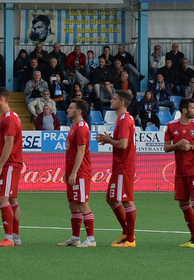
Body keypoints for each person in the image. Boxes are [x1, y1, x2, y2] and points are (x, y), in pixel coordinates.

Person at [162, 98, 194, 248]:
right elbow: (166, 147)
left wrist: (191, 147)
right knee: (183, 204)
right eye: (193, 108)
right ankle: (192, 237)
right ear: (184, 110)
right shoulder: (171, 126)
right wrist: (177, 145)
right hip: (181, 171)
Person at [97, 90, 138, 247]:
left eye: (114, 99)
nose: (111, 101)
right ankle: (126, 232)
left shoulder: (124, 121)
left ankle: (131, 238)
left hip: (124, 166)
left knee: (127, 201)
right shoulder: (124, 119)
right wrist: (110, 140)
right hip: (120, 166)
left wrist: (109, 139)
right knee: (111, 198)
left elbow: (123, 144)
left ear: (122, 102)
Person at [57, 99, 97, 247]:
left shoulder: (81, 128)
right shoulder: (74, 127)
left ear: (79, 111)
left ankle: (91, 239)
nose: (68, 109)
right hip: (73, 172)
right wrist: (68, 172)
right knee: (73, 204)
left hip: (81, 172)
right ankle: (75, 238)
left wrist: (74, 172)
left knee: (82, 203)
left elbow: (81, 151)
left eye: (71, 107)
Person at [0, 89, 23, 247]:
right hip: (12, 163)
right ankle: (15, 237)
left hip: (10, 163)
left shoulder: (9, 119)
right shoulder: (7, 117)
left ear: (1, 99)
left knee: (2, 198)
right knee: (11, 199)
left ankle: (9, 237)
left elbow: (9, 143)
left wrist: (0, 166)